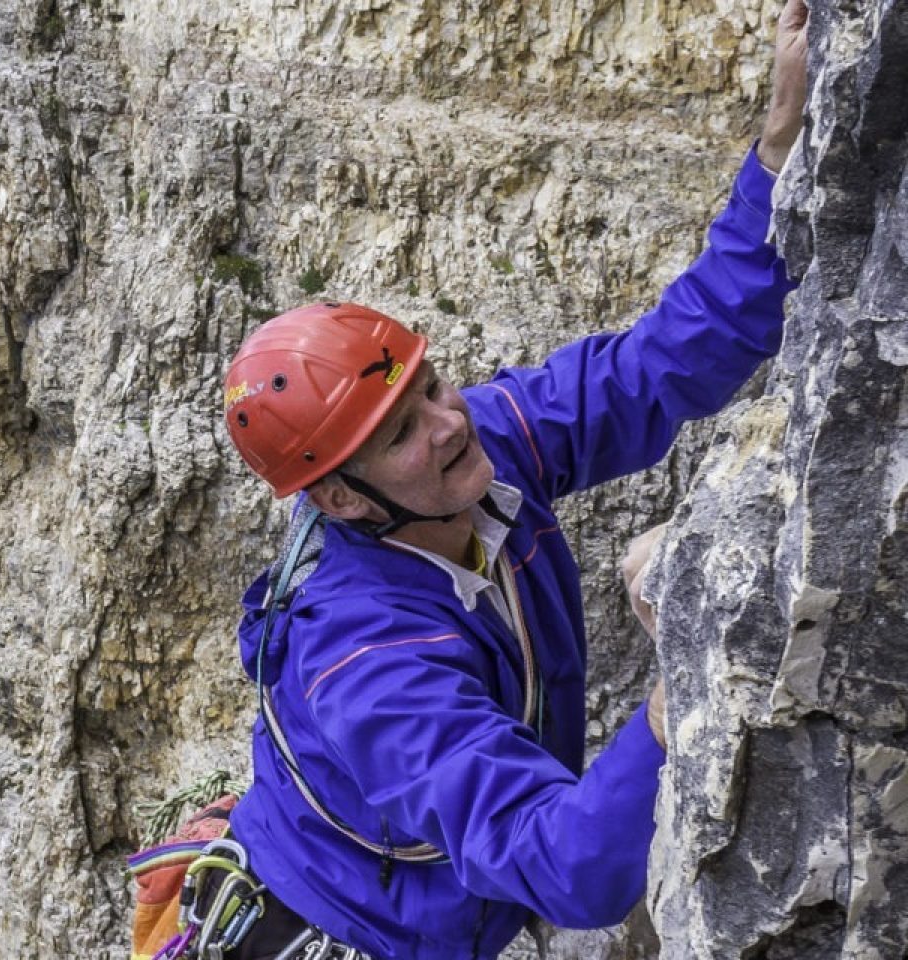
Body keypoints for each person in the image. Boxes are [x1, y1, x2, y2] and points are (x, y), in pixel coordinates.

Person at [212, 3, 812, 957]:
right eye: (403, 432)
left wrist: (777, 158)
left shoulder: (476, 448)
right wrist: (679, 691)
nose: (452, 423)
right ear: (338, 498)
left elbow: (663, 366)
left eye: (433, 385)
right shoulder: (369, 671)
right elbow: (572, 870)